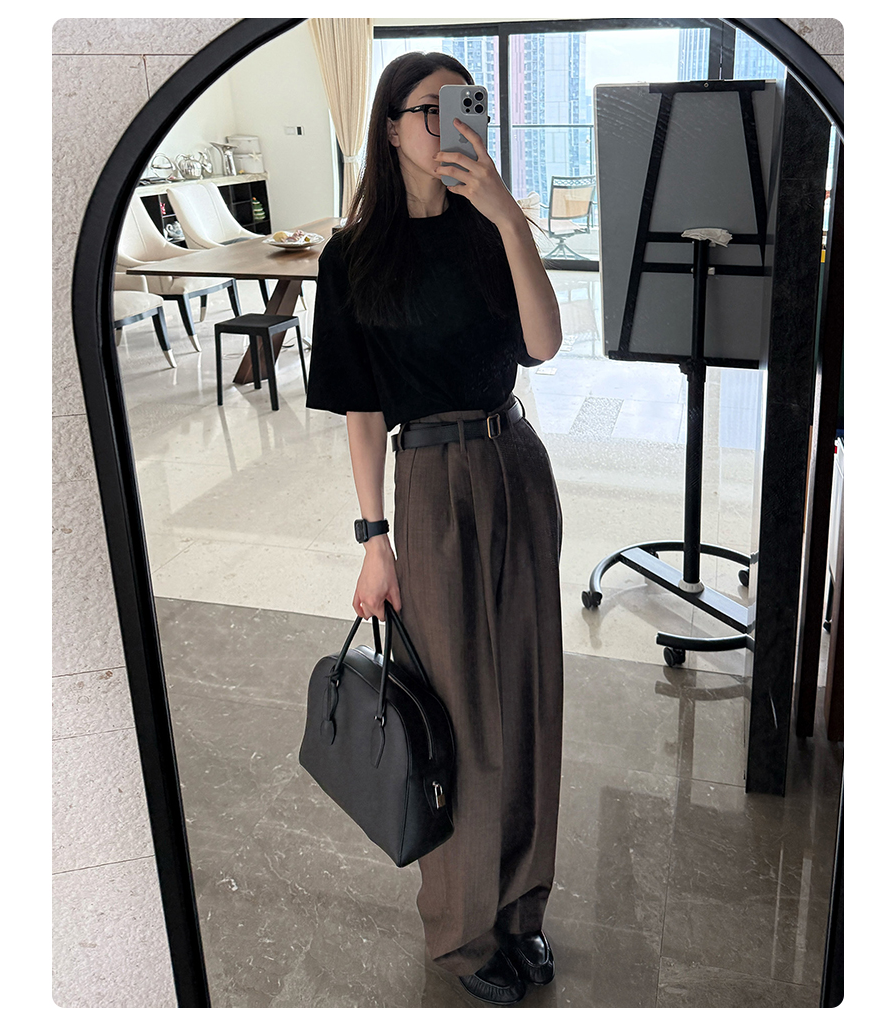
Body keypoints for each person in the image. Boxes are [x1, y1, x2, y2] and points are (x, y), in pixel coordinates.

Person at [304, 51, 564, 1006]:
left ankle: (522, 908)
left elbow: (544, 343)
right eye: (432, 107)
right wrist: (373, 537)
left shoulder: (492, 227)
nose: (455, 120)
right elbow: (362, 408)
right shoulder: (352, 258)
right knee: (458, 719)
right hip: (430, 481)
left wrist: (507, 216)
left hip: (516, 465)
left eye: (469, 103)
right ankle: (462, 935)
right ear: (390, 127)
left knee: (530, 702)